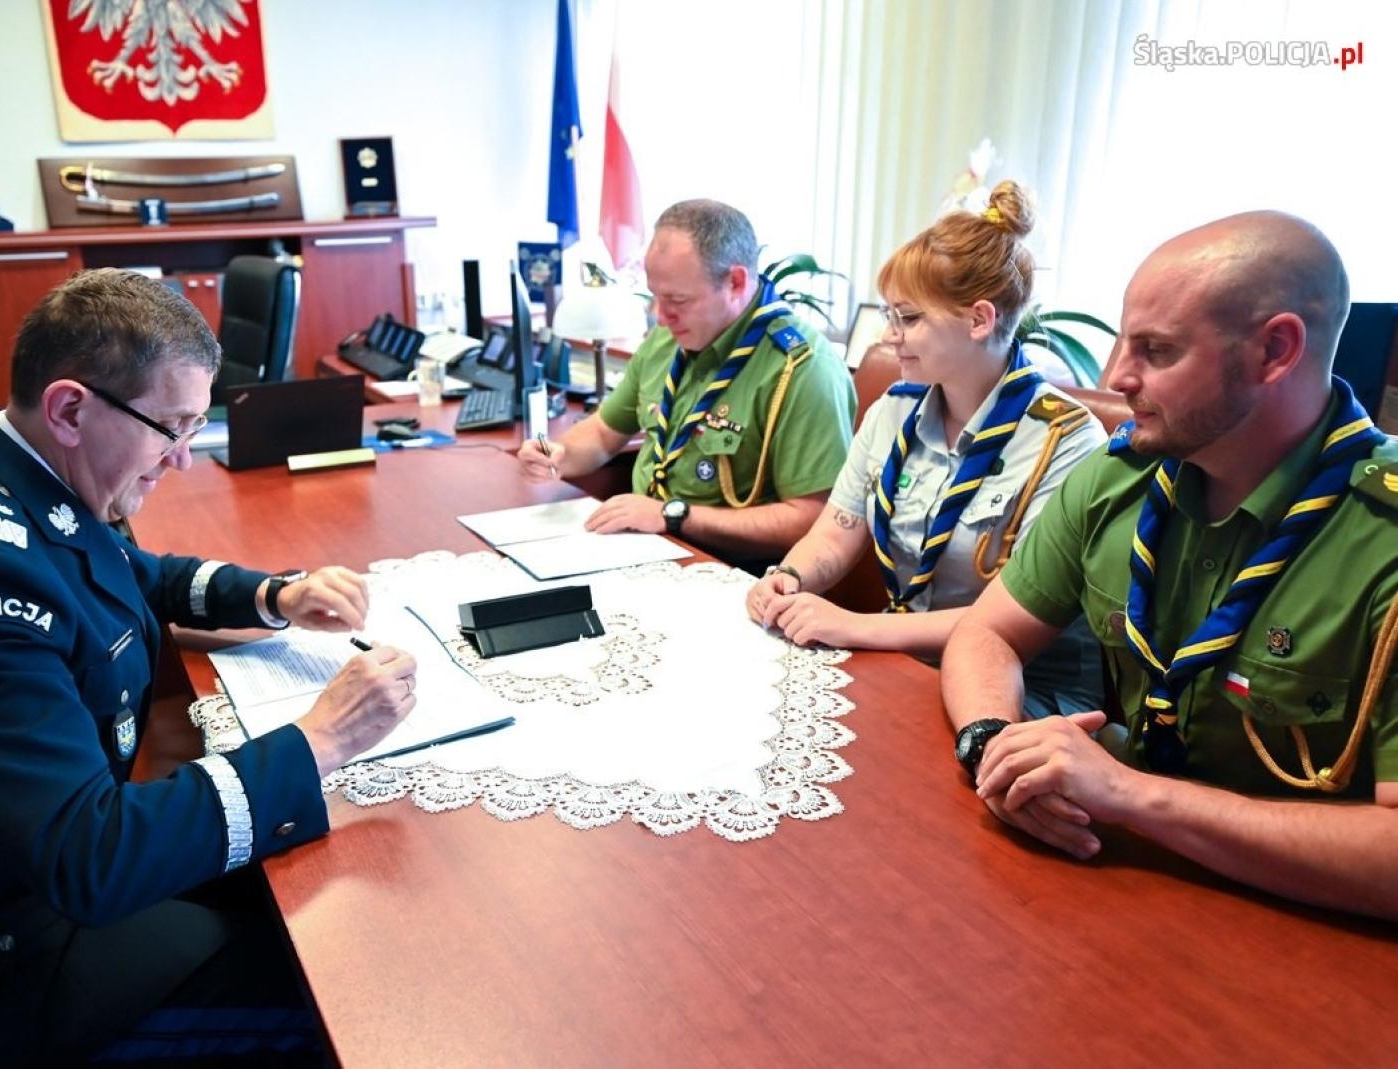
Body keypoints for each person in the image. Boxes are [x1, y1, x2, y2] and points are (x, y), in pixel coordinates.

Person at [0, 269, 418, 1065]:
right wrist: (320, 741)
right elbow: (90, 857)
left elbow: (132, 569)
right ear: (69, 408)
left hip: (7, 883)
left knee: (298, 895)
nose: (184, 459)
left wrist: (273, 593)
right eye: (171, 427)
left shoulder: (23, 472)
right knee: (338, 1001)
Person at [941, 211, 1398, 920]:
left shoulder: (1382, 539)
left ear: (1275, 351)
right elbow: (986, 633)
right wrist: (992, 741)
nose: (1115, 376)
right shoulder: (1120, 476)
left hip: (1305, 932)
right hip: (1126, 878)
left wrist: (1134, 795)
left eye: (1156, 350)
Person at [745, 183, 1106, 718]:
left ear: (979, 320)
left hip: (1022, 689)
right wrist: (792, 576)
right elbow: (837, 530)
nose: (890, 336)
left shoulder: (1067, 439)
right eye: (890, 316)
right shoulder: (894, 409)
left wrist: (857, 626)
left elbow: (1011, 618)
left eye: (909, 318)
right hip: (904, 658)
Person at [516, 199, 856, 570]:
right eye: (655, 296)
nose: (661, 317)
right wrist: (561, 455)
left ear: (736, 282)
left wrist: (674, 515)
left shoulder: (802, 369)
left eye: (678, 299)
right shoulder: (668, 339)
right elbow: (602, 433)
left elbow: (811, 519)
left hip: (731, 574)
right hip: (642, 549)